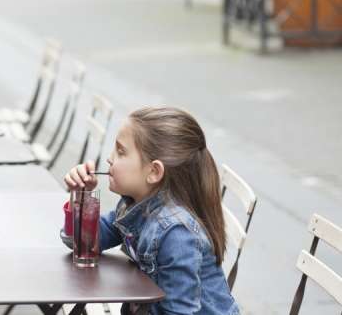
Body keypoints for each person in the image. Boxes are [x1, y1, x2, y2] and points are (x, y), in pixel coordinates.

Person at [63, 107, 239, 314]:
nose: (110, 158)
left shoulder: (177, 233)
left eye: (121, 151)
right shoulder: (134, 206)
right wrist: (82, 197)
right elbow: (85, 244)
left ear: (153, 172)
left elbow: (178, 311)